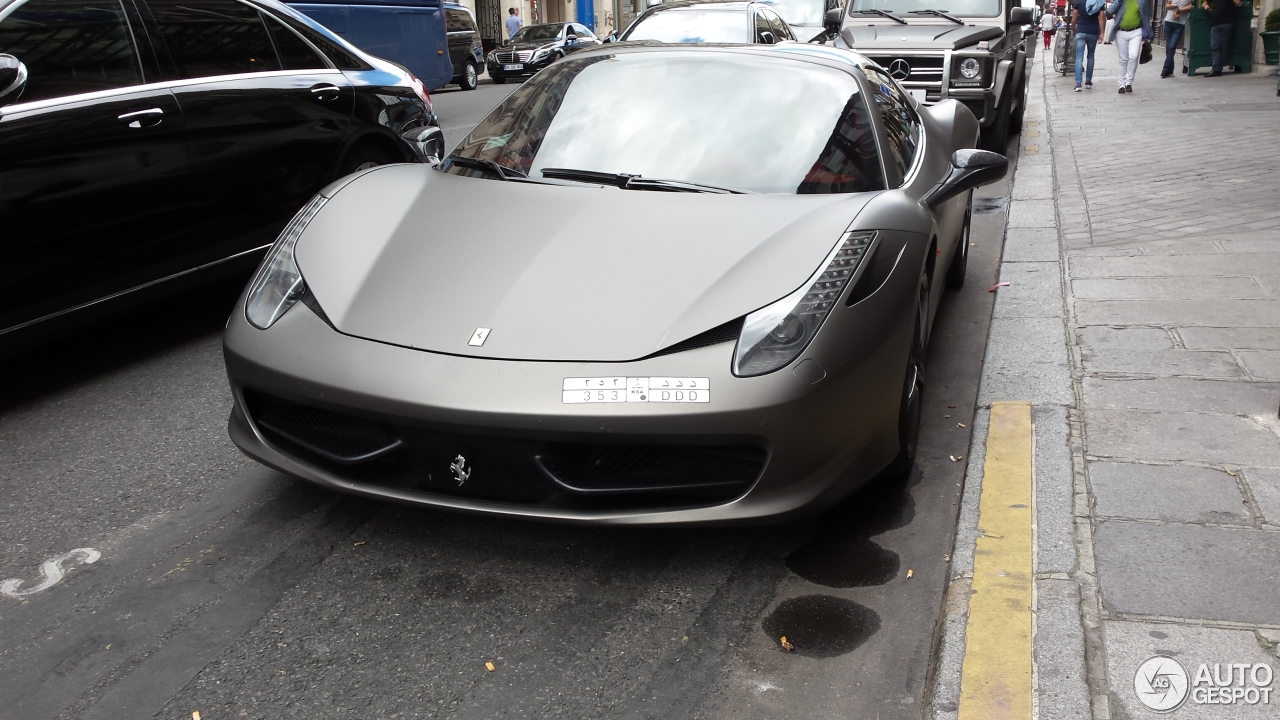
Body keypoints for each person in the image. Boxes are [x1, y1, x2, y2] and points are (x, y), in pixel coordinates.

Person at [1105, 0, 1151, 93]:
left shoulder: (1141, 1)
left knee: (1133, 56)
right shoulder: (1120, 1)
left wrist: (1148, 33)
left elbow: (1146, 17)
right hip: (1120, 32)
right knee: (1123, 59)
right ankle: (1121, 84)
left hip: (1136, 31)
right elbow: (1110, 11)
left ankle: (1129, 82)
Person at [1201, 0, 1242, 76]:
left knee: (1224, 46)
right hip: (1215, 23)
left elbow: (1238, 2)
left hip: (1227, 23)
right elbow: (1204, 3)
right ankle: (1216, 69)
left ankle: (1220, 67)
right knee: (1214, 46)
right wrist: (1206, 7)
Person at [1070, 0, 1104, 91]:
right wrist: (1102, 33)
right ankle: (1088, 81)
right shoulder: (1099, 2)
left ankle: (1078, 83)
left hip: (1080, 31)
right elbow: (1101, 18)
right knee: (1091, 56)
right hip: (1093, 32)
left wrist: (1073, 30)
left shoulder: (1079, 2)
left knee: (1079, 57)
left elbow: (1074, 19)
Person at [1160, 0, 1193, 77]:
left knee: (1172, 46)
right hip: (1168, 22)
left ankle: (1165, 69)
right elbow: (1167, 6)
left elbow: (1192, 6)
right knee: (1169, 47)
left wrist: (1180, 10)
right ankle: (1170, 70)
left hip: (1179, 24)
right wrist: (1173, 6)